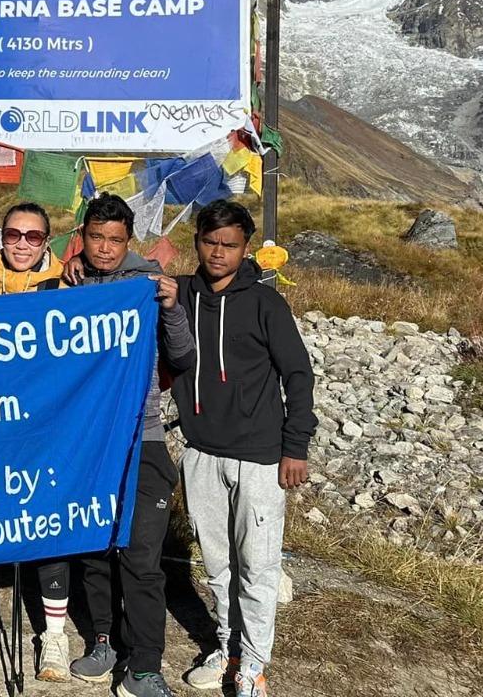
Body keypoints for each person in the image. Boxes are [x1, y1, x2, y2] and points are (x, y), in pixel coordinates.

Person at [168, 200, 315, 697]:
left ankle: (254, 665)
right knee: (215, 564)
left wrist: (295, 447)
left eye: (229, 245)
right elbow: (131, 276)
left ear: (245, 248)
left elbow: (298, 375)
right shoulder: (183, 294)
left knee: (257, 567)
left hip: (260, 457)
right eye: (210, 242)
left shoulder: (266, 304)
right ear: (197, 242)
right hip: (202, 452)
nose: (218, 253)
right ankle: (227, 647)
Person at [63, 193, 190, 697]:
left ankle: (144, 666)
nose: (106, 248)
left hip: (145, 439)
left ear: (128, 240)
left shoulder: (149, 284)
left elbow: (181, 354)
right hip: (88, 440)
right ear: (83, 236)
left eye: (116, 239)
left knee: (140, 555)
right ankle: (102, 640)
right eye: (96, 237)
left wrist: (172, 307)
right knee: (94, 548)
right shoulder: (70, 282)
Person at [0, 202, 72, 680]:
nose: (22, 243)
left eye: (34, 236)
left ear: (48, 241)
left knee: (46, 522)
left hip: (40, 426)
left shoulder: (65, 288)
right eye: (13, 234)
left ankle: (55, 637)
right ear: (1, 236)